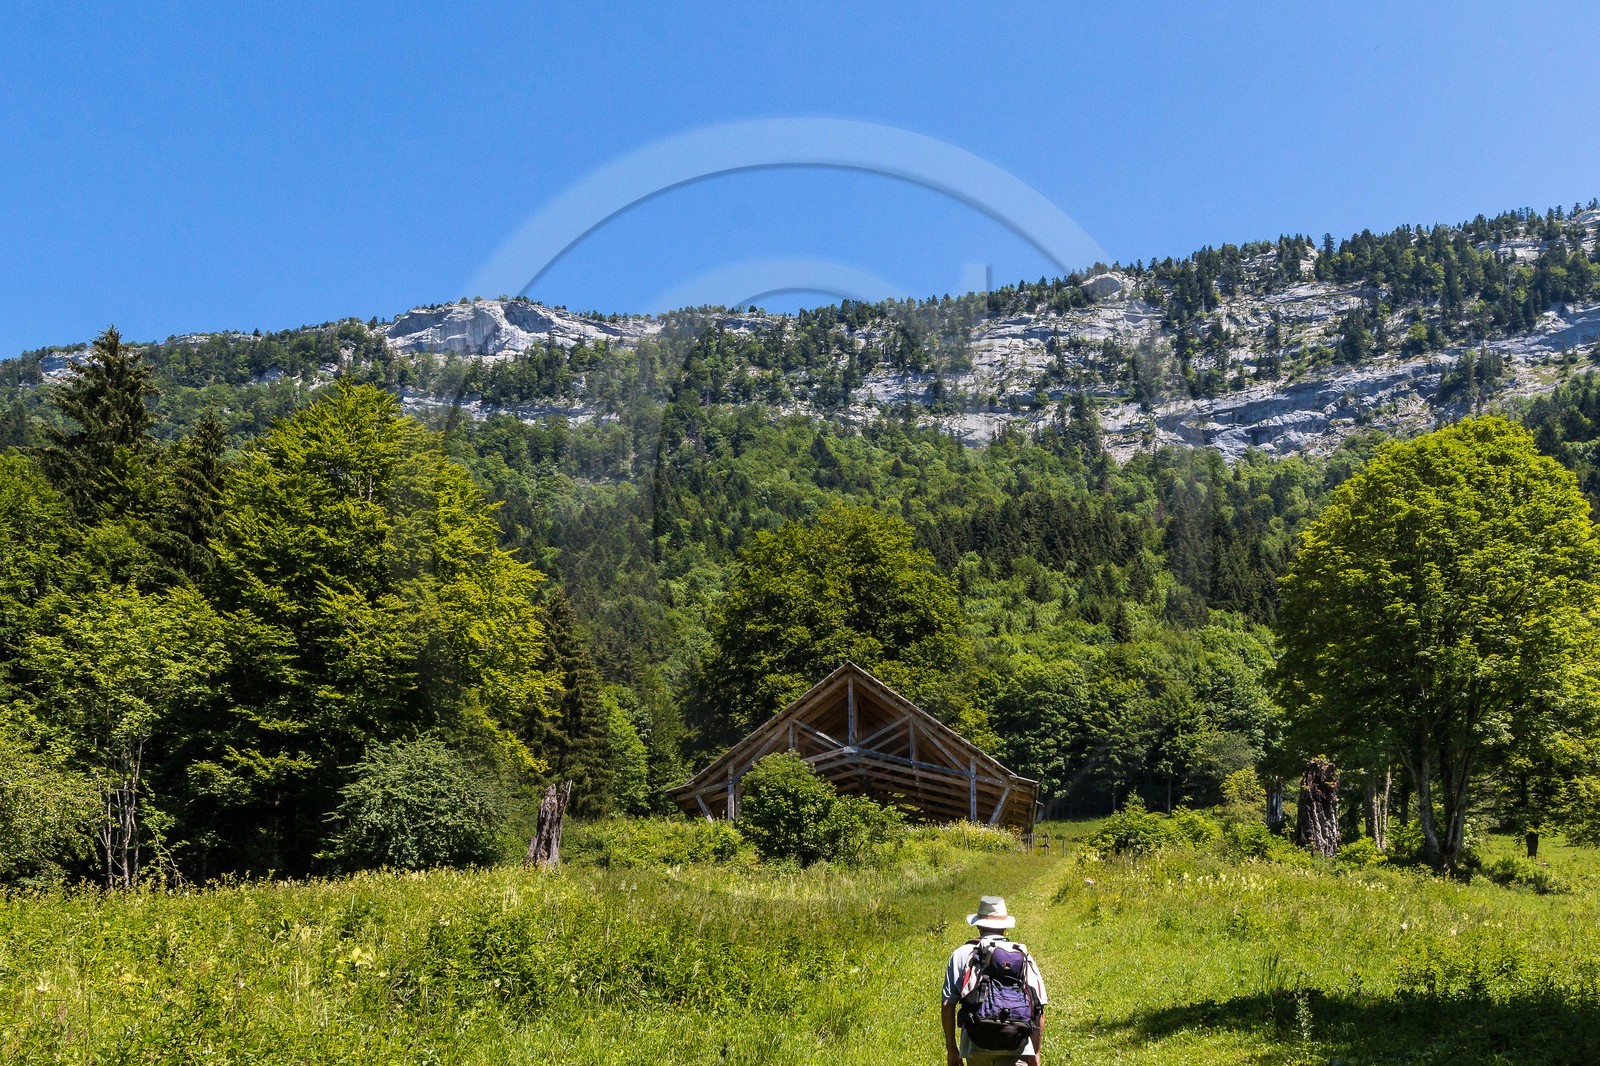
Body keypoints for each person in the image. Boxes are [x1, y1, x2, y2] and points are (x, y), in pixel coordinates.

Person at [941, 895, 1048, 1066]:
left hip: (976, 1044)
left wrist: (952, 1050)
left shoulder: (961, 954)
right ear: (1005, 927)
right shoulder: (1021, 955)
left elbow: (948, 1004)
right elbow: (1038, 1007)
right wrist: (1035, 1053)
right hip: (1017, 1044)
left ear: (978, 925)